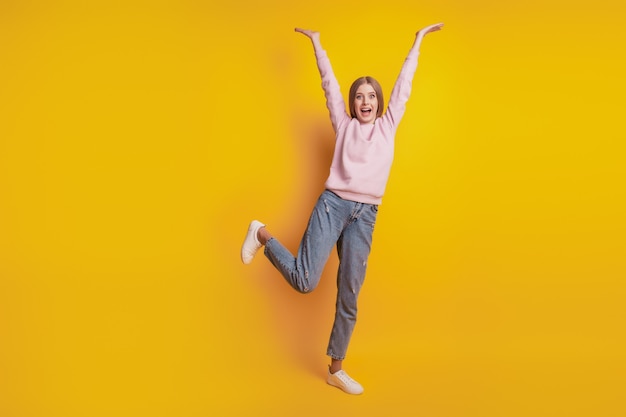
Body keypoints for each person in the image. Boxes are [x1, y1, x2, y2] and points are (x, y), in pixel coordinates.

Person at [241, 23, 444, 395]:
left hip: (365, 215)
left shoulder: (387, 126)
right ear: (351, 103)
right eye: (359, 97)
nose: (365, 101)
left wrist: (417, 42)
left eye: (371, 96)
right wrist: (317, 45)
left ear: (379, 102)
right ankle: (262, 234)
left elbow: (404, 86)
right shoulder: (344, 125)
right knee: (305, 281)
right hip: (333, 205)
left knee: (350, 290)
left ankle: (336, 368)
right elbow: (329, 84)